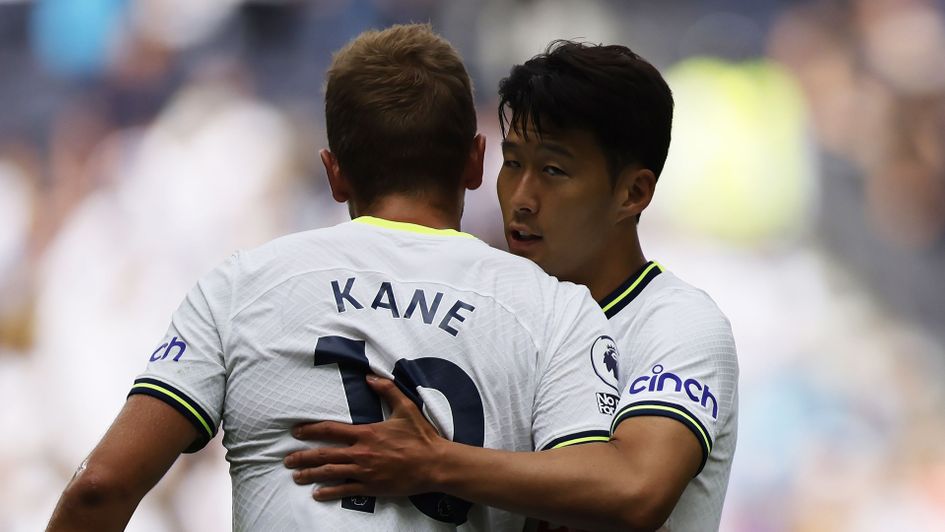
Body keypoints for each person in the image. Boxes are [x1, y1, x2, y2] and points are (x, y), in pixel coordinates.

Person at [46, 25, 621, 531]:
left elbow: (100, 488)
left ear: (333, 172)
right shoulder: (557, 311)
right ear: (476, 162)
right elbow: (605, 499)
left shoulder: (242, 287)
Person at [285, 41, 739, 531]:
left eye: (553, 171)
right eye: (513, 162)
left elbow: (637, 489)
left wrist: (435, 461)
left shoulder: (677, 324)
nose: (521, 198)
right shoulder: (487, 308)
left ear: (633, 192)